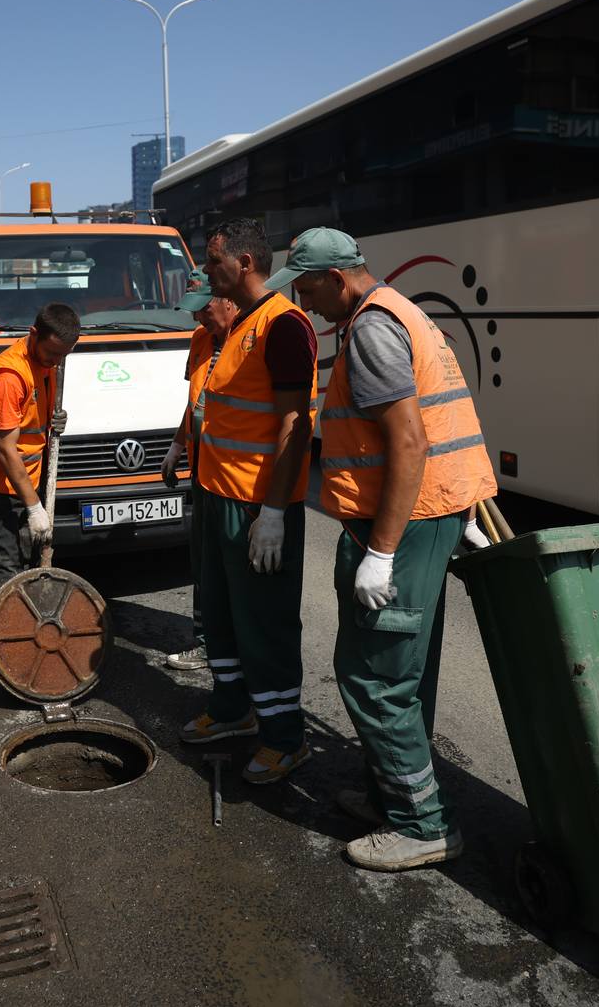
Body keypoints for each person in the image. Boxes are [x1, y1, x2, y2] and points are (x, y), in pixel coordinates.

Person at [286, 227, 497, 872]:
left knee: (374, 678)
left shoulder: (374, 330)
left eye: (305, 285)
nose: (303, 299)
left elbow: (409, 444)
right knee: (404, 670)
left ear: (337, 276)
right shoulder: (400, 313)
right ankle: (389, 790)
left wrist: (380, 551)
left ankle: (422, 823)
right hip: (427, 514)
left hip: (401, 525)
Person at [179, 217, 318, 785]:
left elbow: (294, 423)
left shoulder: (284, 325)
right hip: (218, 496)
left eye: (213, 262)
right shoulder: (238, 327)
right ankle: (233, 709)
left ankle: (284, 738)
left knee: (266, 622)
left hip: (256, 504)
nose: (206, 272)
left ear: (244, 264)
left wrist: (276, 512)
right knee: (221, 613)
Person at [0, 303, 81, 592]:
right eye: (52, 353)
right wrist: (34, 508)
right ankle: (4, 635)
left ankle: (24, 628)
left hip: (25, 480)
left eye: (63, 355)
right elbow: (7, 449)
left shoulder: (46, 363)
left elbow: (31, 416)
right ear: (33, 334)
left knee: (25, 561)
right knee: (6, 569)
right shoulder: (9, 376)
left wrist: (53, 420)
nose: (56, 361)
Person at [161, 276, 238, 671]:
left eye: (204, 307)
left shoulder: (246, 341)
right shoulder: (200, 340)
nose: (198, 315)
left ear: (228, 299)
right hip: (203, 472)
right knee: (204, 563)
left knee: (229, 569)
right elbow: (195, 401)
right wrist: (176, 446)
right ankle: (207, 643)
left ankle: (228, 648)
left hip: (236, 479)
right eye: (193, 308)